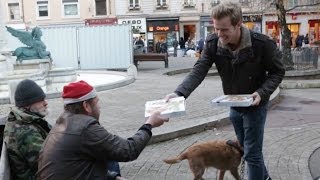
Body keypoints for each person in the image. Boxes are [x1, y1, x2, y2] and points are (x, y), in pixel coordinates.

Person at [165, 2, 285, 180]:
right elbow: (199, 69)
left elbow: (278, 72)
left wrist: (262, 92)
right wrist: (179, 94)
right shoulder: (213, 42)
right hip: (234, 107)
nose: (220, 35)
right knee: (247, 150)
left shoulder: (262, 44)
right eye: (216, 29)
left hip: (255, 105)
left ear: (238, 24)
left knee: (251, 154)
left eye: (224, 30)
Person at [37, 80, 169, 180]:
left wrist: (112, 177)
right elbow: (128, 150)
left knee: (109, 153)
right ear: (86, 106)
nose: (99, 107)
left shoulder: (62, 122)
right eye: (97, 102)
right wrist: (149, 124)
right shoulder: (85, 127)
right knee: (113, 154)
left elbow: (78, 168)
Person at [3, 79, 51, 179]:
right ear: (28, 104)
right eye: (41, 100)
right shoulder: (26, 132)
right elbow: (48, 165)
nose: (45, 103)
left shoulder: (23, 120)